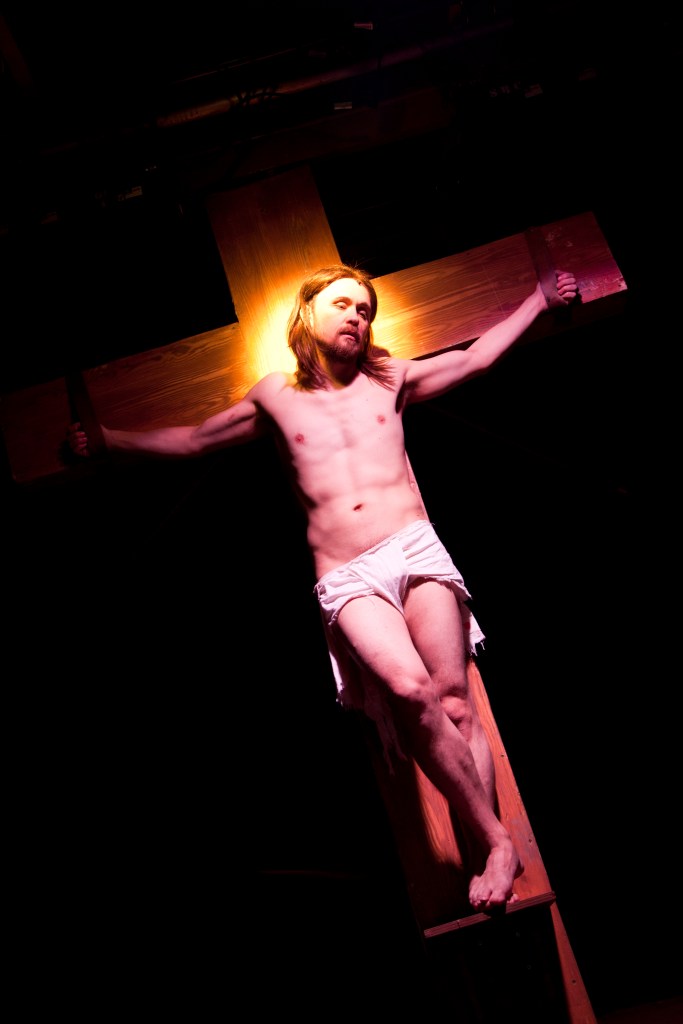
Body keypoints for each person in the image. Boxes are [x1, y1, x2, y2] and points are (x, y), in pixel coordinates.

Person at [67, 262, 578, 912]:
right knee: (407, 690)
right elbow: (195, 440)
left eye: (364, 310)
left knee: (454, 702)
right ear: (308, 312)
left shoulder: (389, 379)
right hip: (347, 572)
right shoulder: (277, 396)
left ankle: (491, 851)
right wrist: (109, 440)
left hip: (413, 548)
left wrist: (537, 299)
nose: (355, 317)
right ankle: (498, 841)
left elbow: (474, 359)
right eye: (342, 304)